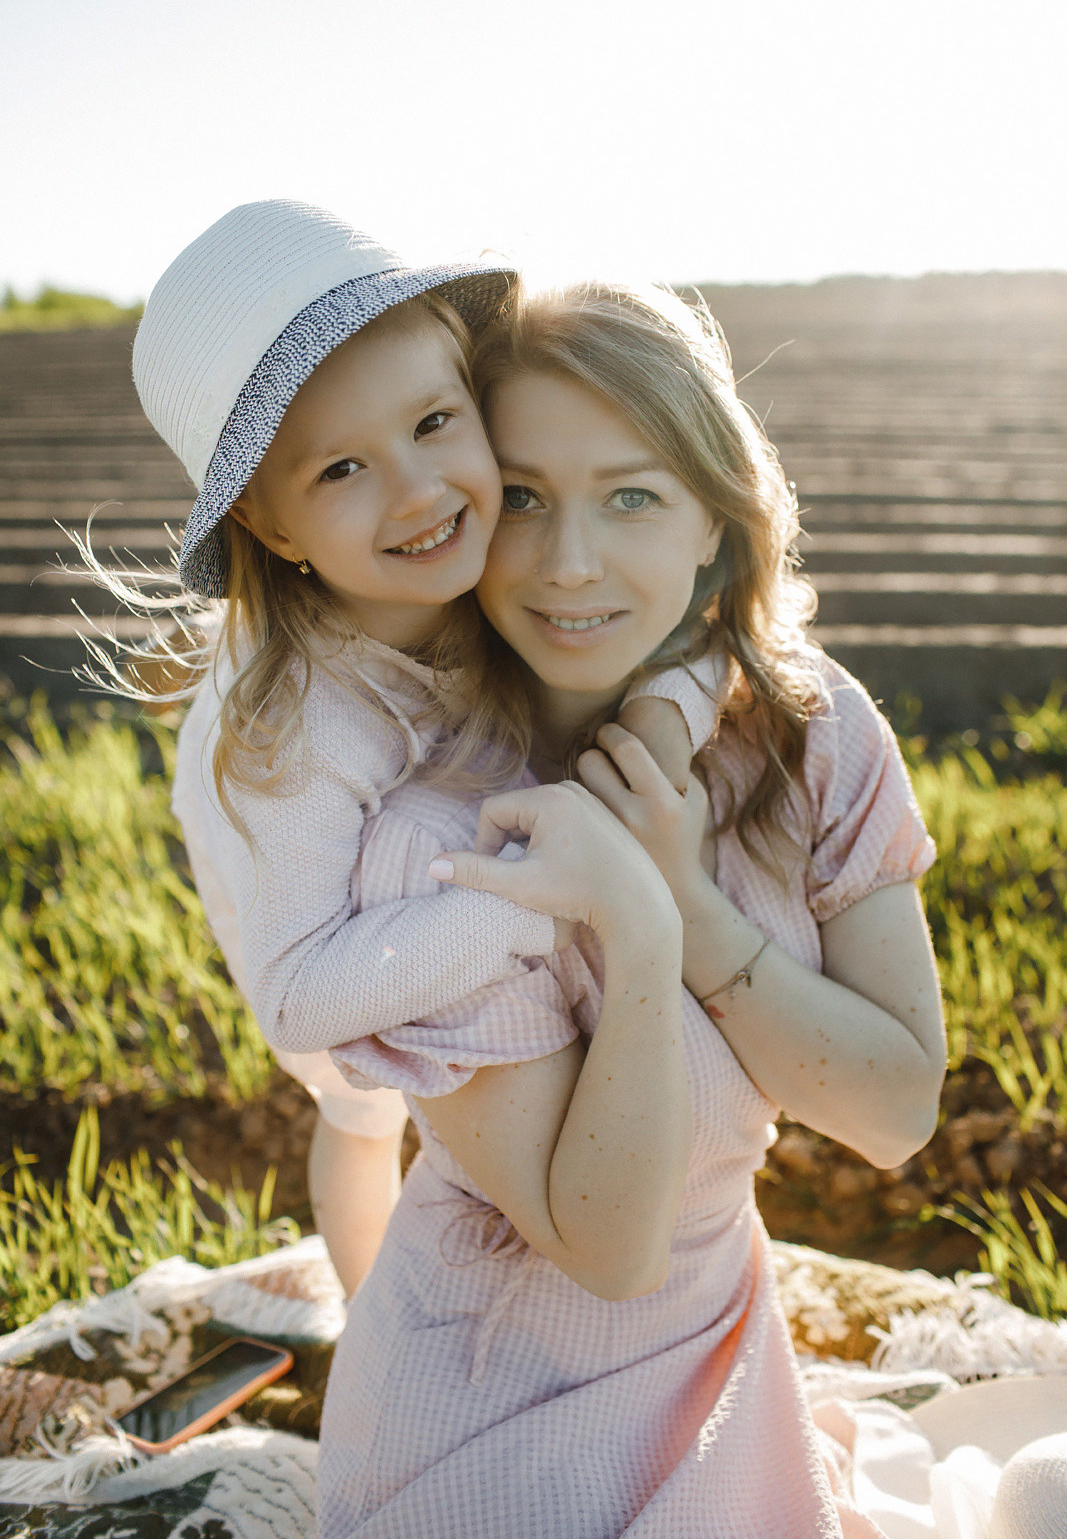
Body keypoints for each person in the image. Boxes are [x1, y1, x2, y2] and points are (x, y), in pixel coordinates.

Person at [316, 280, 947, 1536]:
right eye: (525, 499)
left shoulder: (809, 738)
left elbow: (894, 1111)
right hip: (490, 1399)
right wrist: (639, 926)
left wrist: (687, 903)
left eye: (633, 496)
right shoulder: (432, 832)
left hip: (719, 1353)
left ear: (714, 525)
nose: (569, 564)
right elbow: (608, 1250)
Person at [121, 200, 712, 1293]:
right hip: (317, 928)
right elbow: (294, 991)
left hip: (440, 874)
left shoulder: (486, 563)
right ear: (269, 524)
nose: (418, 489)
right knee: (357, 1112)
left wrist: (671, 716)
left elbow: (702, 639)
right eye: (340, 470)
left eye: (435, 423)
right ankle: (369, 1326)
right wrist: (535, 898)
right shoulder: (291, 732)